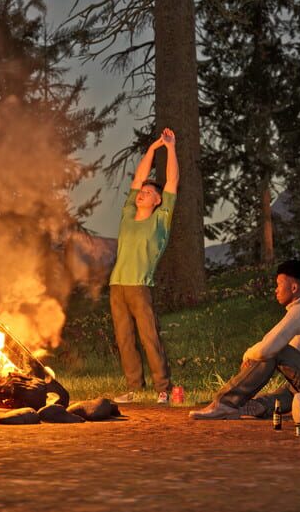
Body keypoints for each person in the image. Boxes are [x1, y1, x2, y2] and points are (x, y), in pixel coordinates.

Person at [189, 260, 300, 420]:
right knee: (291, 385)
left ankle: (225, 404)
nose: (276, 290)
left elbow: (269, 349)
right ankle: (262, 406)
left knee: (275, 350)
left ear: (294, 288)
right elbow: (294, 353)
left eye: (279, 284)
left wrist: (248, 354)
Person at [110, 128, 179, 405]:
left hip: (139, 286)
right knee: (124, 339)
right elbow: (138, 178)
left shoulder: (160, 220)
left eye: (149, 192)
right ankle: (134, 388)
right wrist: (151, 149)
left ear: (158, 200)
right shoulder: (128, 213)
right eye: (142, 192)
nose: (143, 193)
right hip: (117, 285)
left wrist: (169, 148)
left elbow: (172, 180)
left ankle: (163, 388)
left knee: (149, 337)